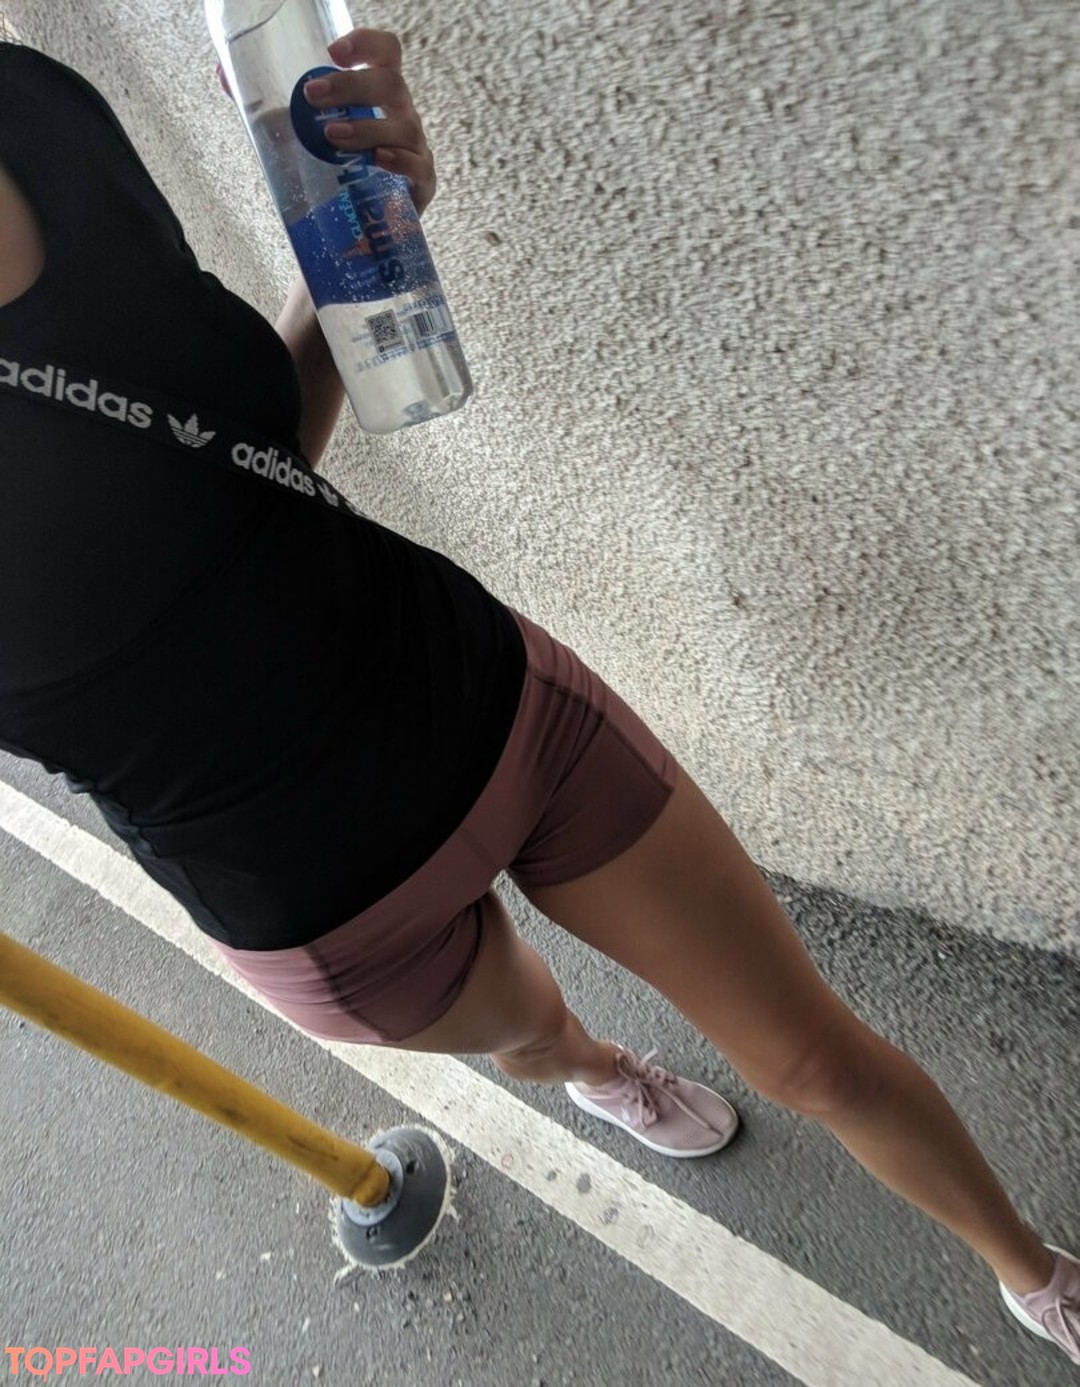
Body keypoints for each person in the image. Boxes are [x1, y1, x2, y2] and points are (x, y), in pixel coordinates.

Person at [0, 27, 1075, 1368]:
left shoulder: (32, 108)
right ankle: (601, 1074)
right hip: (330, 908)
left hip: (487, 701)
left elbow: (231, 463)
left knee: (816, 1061)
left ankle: (1032, 1273)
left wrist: (364, 233)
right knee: (539, 1035)